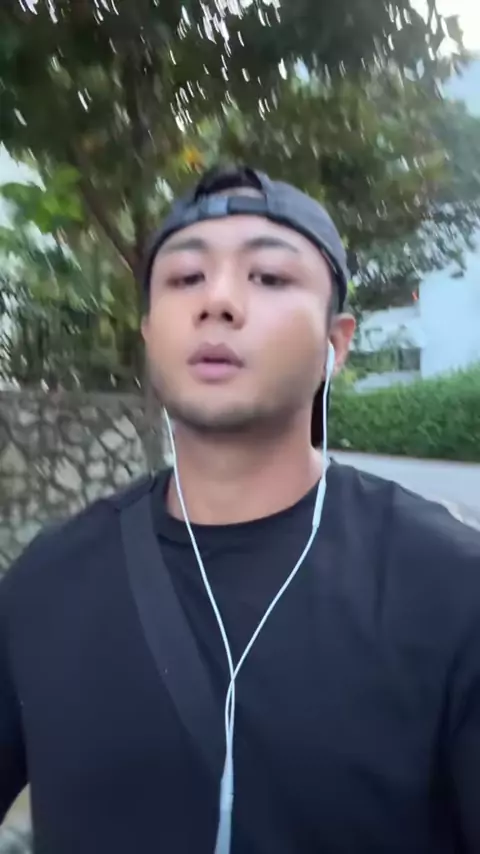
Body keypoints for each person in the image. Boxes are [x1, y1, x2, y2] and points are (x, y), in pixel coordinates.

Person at [1, 164, 479, 854]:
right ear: (150, 333)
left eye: (270, 277)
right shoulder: (48, 583)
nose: (217, 302)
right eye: (185, 278)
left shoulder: (450, 590)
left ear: (336, 344)